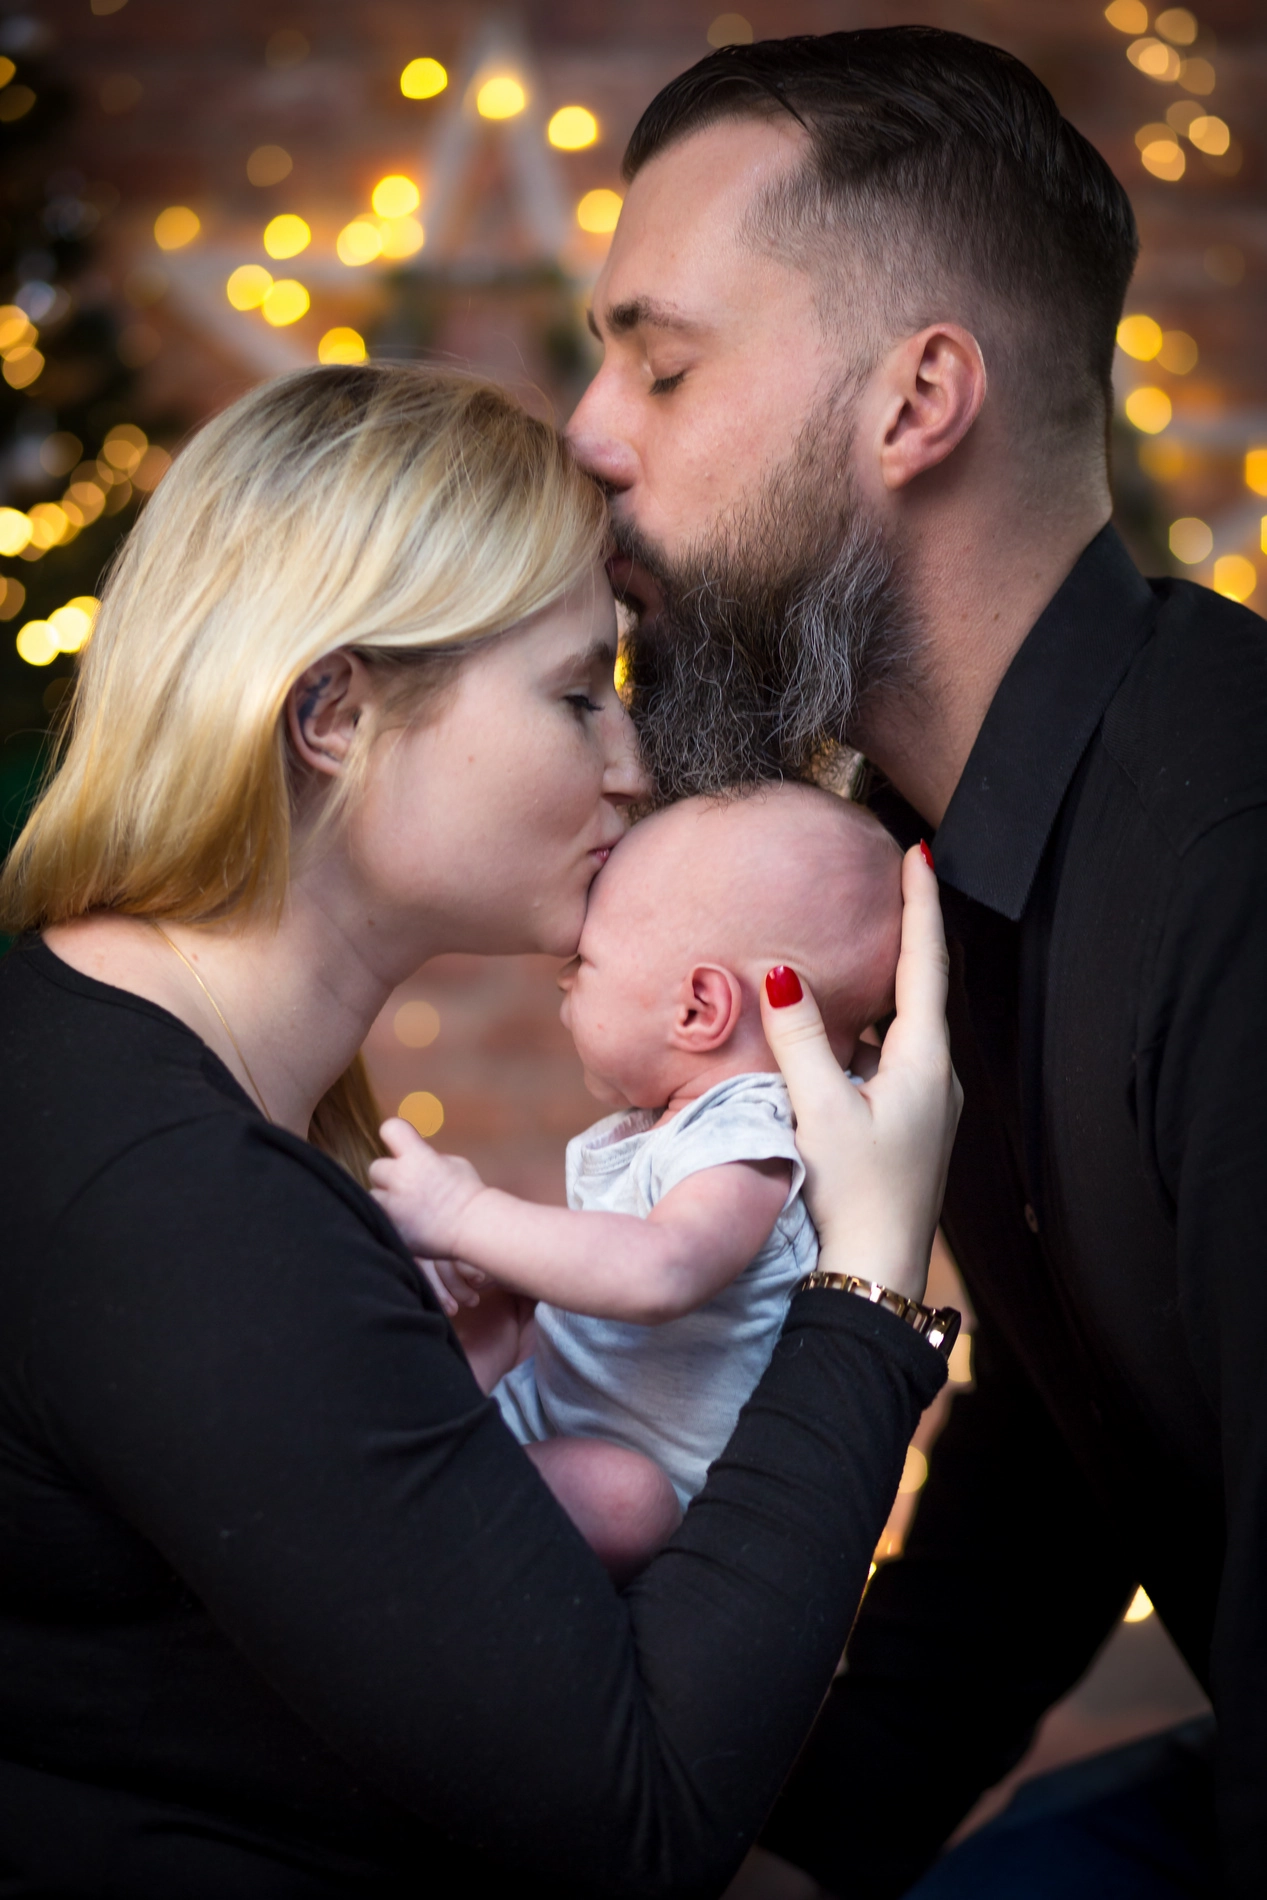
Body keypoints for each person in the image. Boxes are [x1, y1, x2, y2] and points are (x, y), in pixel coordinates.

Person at [0, 361, 962, 1899]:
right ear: (332, 712)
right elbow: (640, 1824)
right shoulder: (177, 1203)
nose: (627, 766)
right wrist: (864, 1278)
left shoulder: (111, 1074)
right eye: (577, 695)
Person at [566, 25, 1266, 1898]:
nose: (591, 434)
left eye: (661, 364)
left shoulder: (1227, 864)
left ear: (916, 401)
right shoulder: (930, 856)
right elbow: (1070, 1432)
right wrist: (810, 1851)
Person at [370, 786, 910, 1579]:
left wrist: (463, 1214)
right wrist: (485, 1262)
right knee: (487, 1305)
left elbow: (662, 1269)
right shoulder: (677, 1125)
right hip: (558, 1411)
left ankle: (397, 1495)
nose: (563, 984)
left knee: (626, 1497)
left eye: (583, 964)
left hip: (640, 1481)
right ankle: (412, 1442)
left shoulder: (744, 1138)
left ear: (698, 1008)